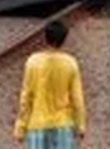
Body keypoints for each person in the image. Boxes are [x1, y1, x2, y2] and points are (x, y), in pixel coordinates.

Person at [14, 19, 86, 148]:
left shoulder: (32, 62)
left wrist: (20, 127)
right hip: (63, 126)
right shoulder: (70, 63)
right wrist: (80, 125)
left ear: (45, 37)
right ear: (64, 39)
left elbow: (26, 97)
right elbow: (77, 99)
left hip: (37, 126)